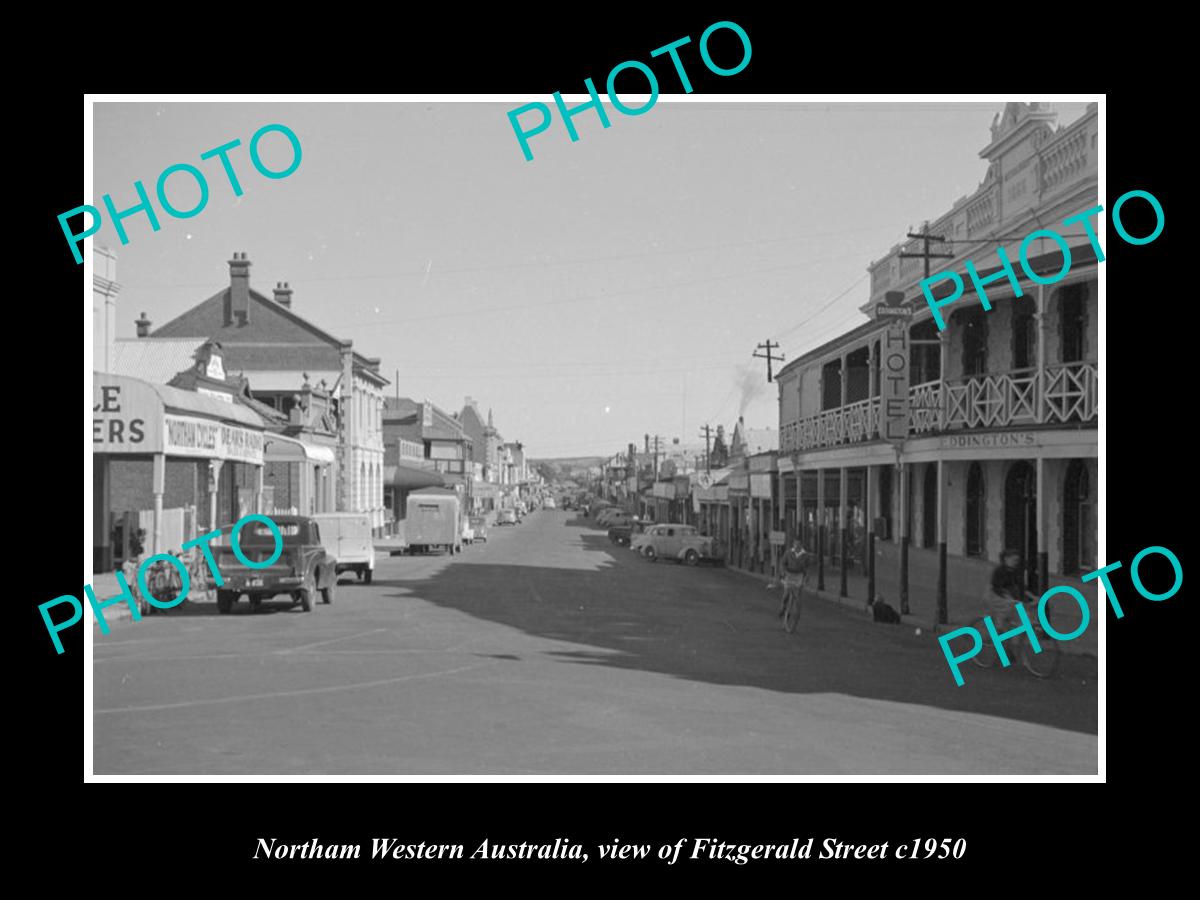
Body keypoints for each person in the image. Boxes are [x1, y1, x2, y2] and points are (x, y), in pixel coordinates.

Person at [778, 539, 813, 620]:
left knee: (798, 593)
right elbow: (783, 563)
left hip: (799, 575)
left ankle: (795, 611)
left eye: (798, 544)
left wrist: (807, 577)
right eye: (795, 544)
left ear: (801, 545)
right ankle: (783, 607)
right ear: (793, 545)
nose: (796, 546)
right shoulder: (788, 553)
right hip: (789, 574)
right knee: (786, 594)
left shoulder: (805, 555)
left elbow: (808, 567)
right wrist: (783, 572)